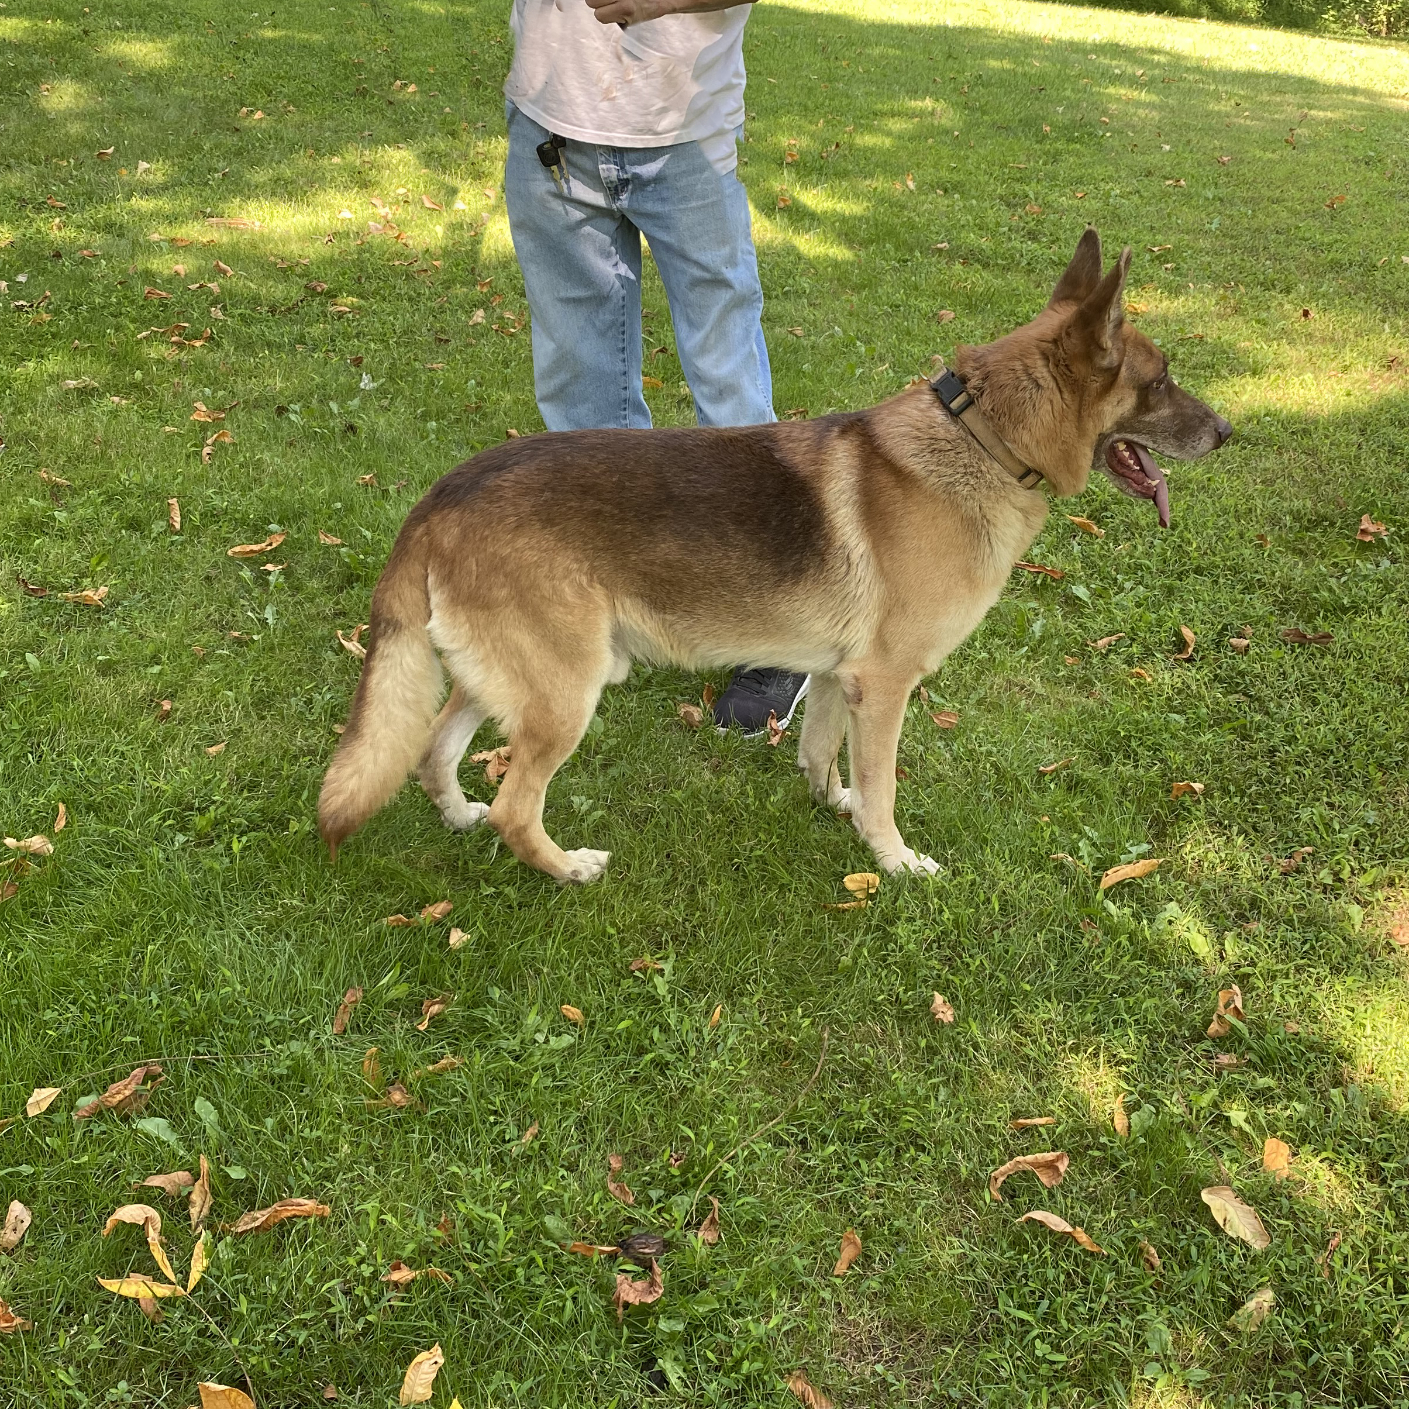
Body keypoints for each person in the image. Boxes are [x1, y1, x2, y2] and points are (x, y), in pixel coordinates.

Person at [501, 0, 809, 735]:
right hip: (550, 129)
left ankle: (776, 627)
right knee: (580, 388)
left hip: (687, 137)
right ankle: (613, 605)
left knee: (727, 381)